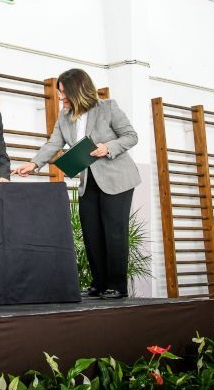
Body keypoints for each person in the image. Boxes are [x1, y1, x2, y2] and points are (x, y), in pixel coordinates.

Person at [11, 68, 141, 300]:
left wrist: (108, 148)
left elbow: (131, 136)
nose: (60, 96)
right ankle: (98, 284)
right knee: (91, 232)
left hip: (117, 179)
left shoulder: (108, 107)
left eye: (63, 92)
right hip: (88, 180)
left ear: (78, 90)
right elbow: (53, 144)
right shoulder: (64, 116)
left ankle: (117, 286)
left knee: (114, 233)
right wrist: (34, 164)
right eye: (59, 92)